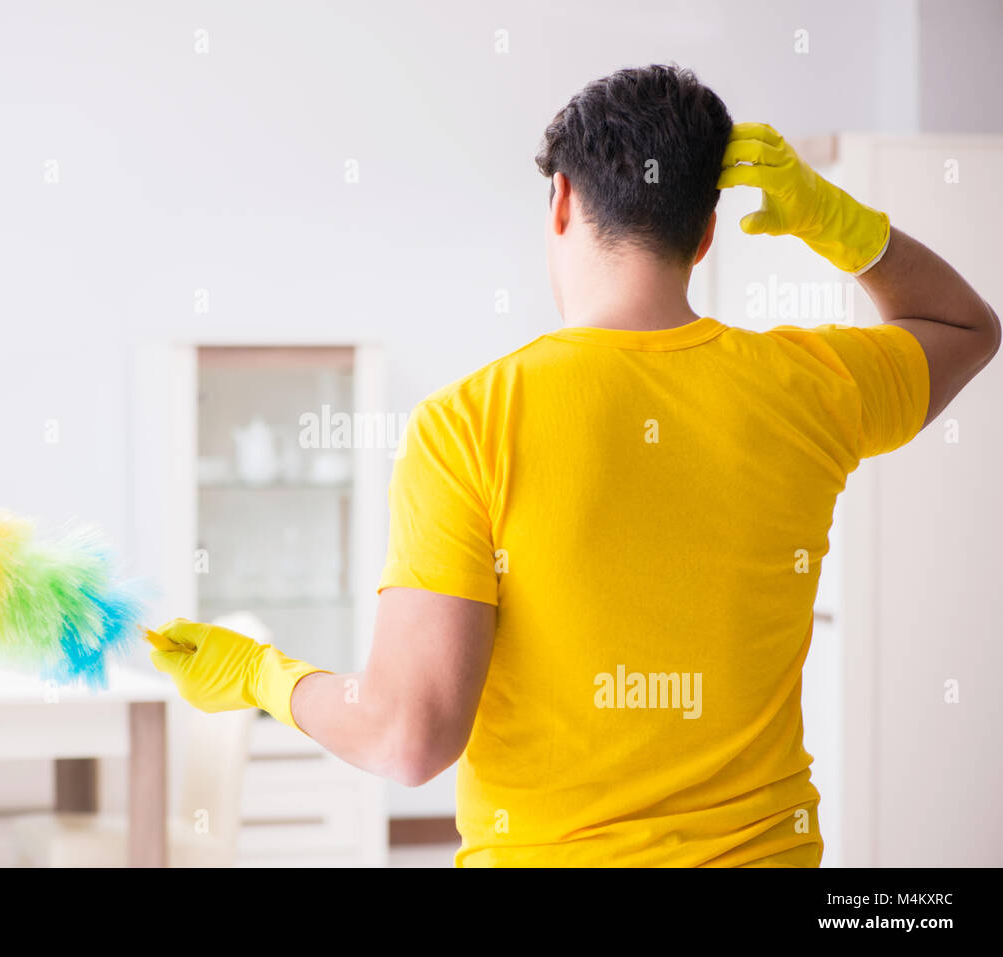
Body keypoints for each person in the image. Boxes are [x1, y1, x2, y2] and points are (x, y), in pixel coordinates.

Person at [146, 64, 999, 866]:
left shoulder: (470, 423)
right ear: (706, 234)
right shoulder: (809, 384)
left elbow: (408, 736)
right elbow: (968, 327)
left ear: (560, 202)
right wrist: (834, 221)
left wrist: (261, 674)